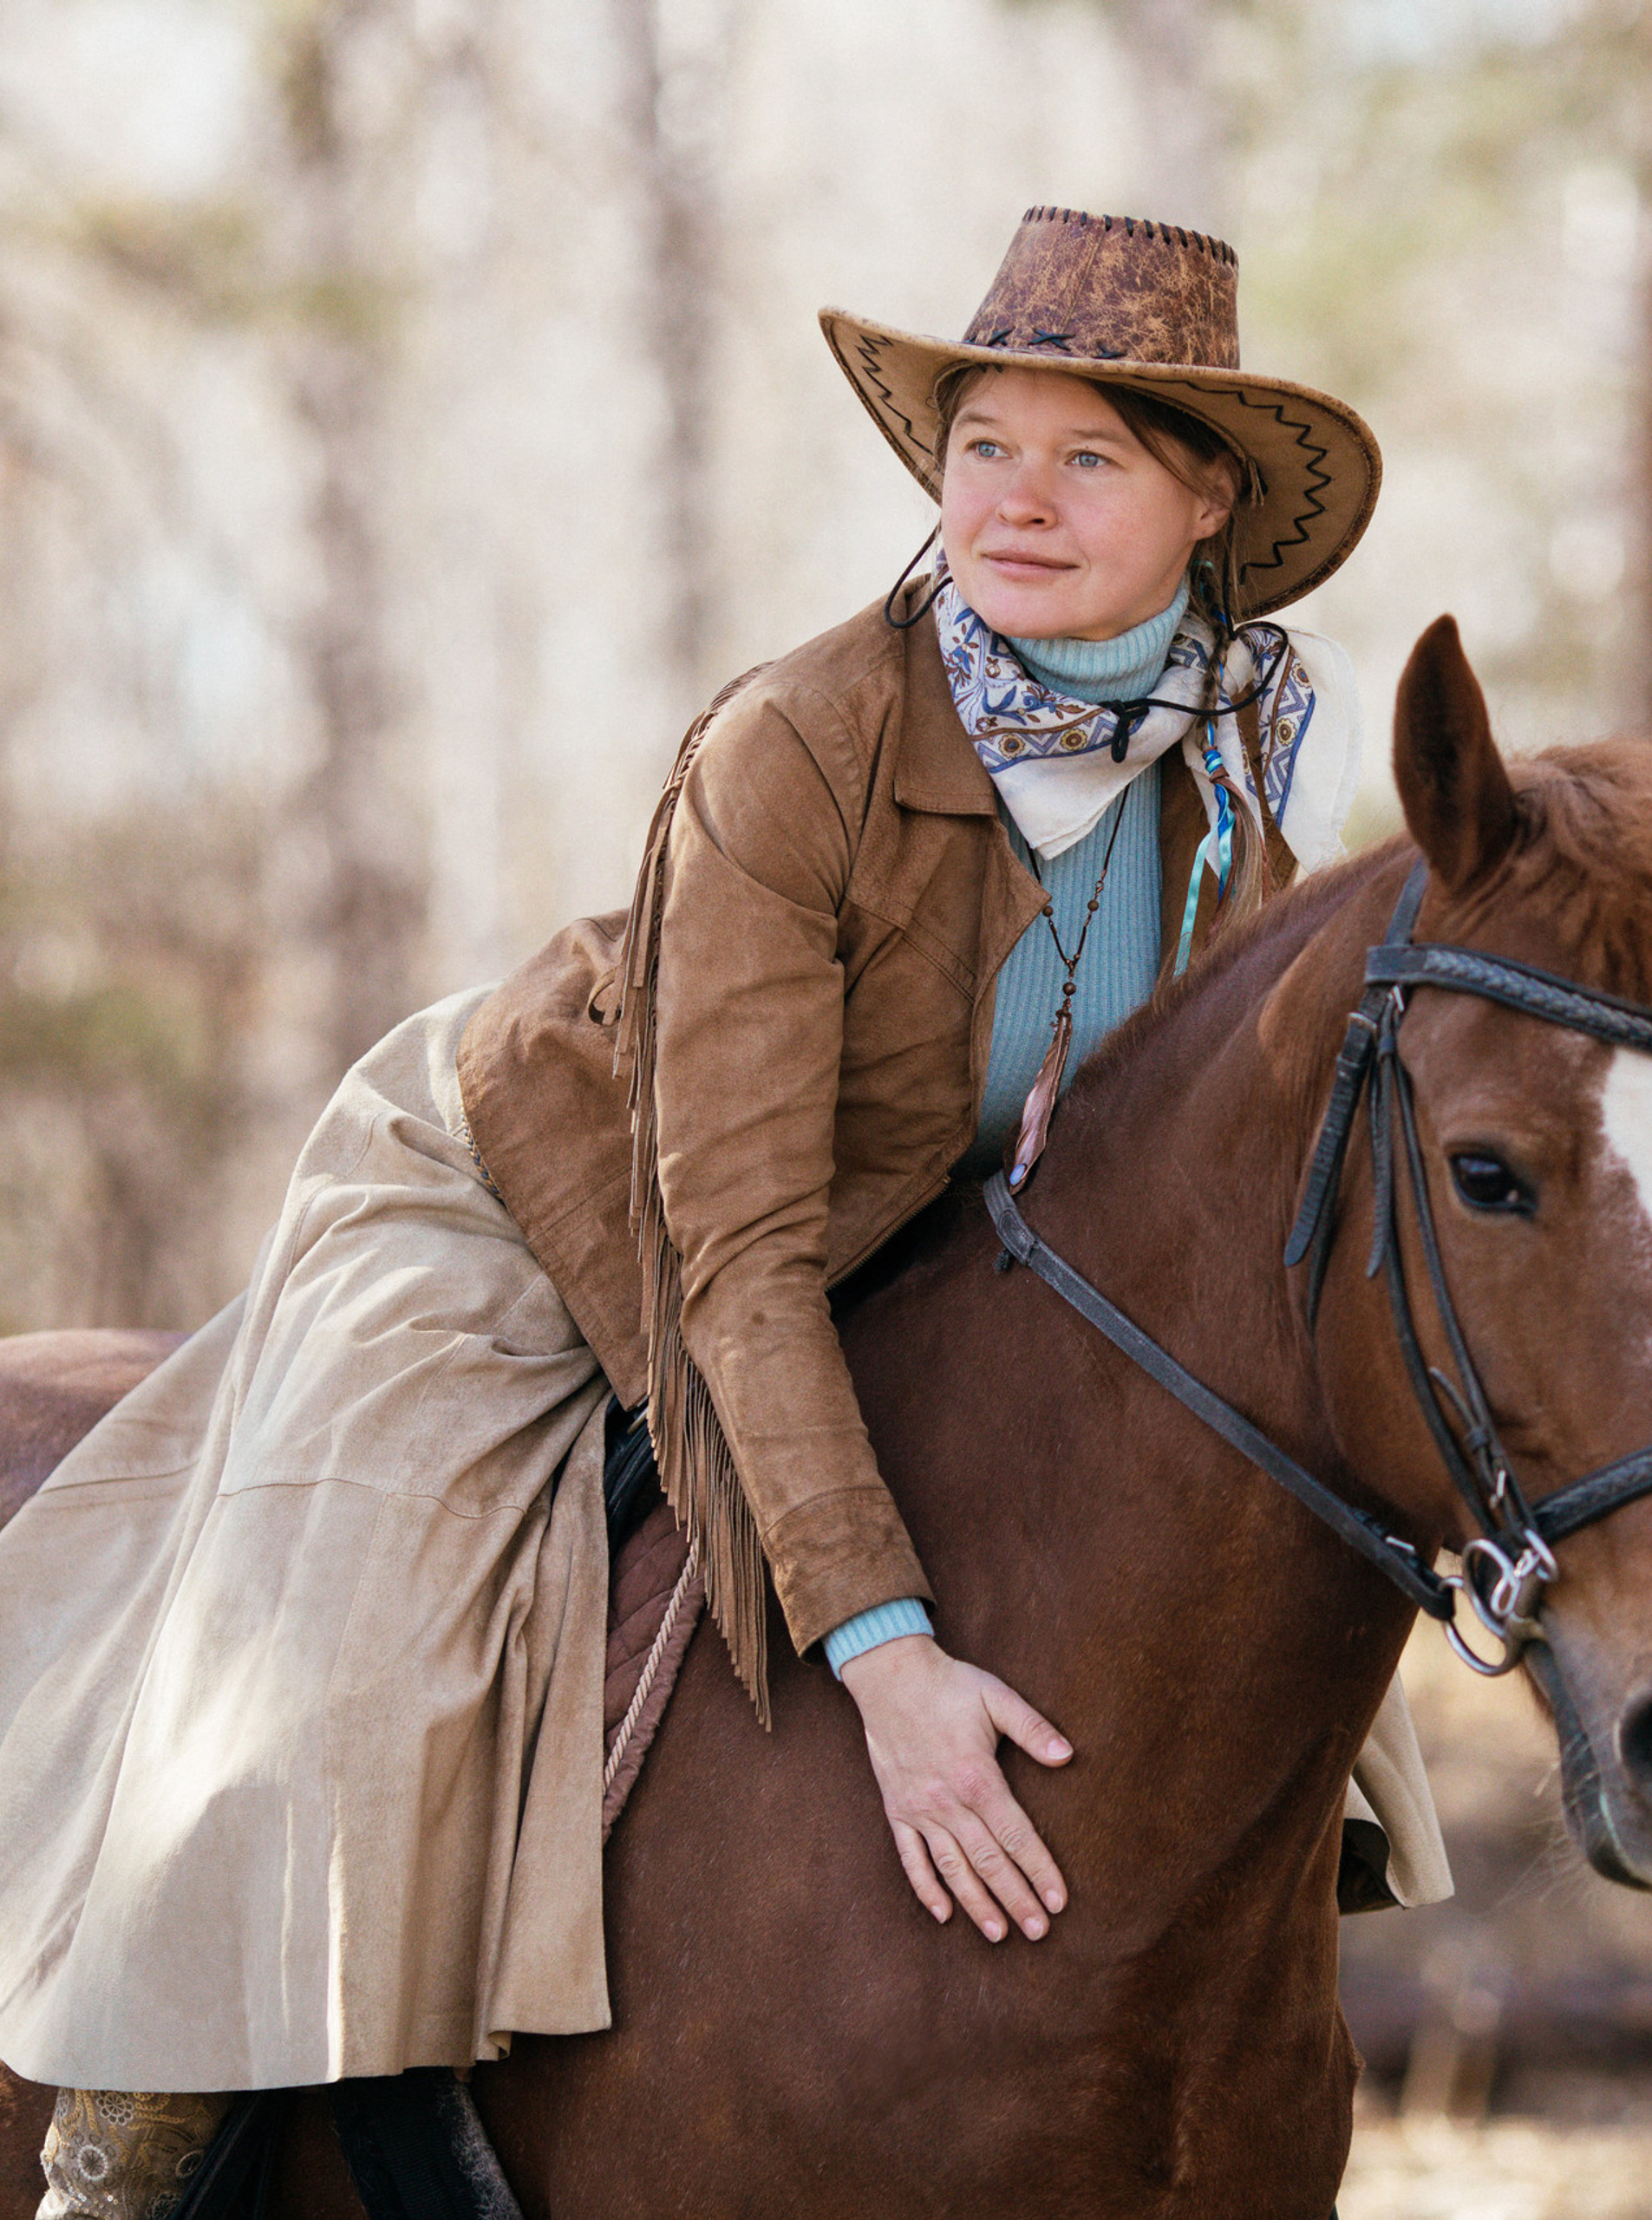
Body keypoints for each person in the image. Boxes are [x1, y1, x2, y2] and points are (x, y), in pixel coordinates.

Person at [0, 205, 1448, 2218]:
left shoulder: (1232, 802)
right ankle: (126, 2129)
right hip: (554, 1189)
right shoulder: (801, 744)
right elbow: (732, 1246)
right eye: (980, 449)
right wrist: (882, 1653)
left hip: (914, 1245)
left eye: (1087, 456)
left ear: (1204, 497)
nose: (1014, 501)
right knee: (351, 1605)